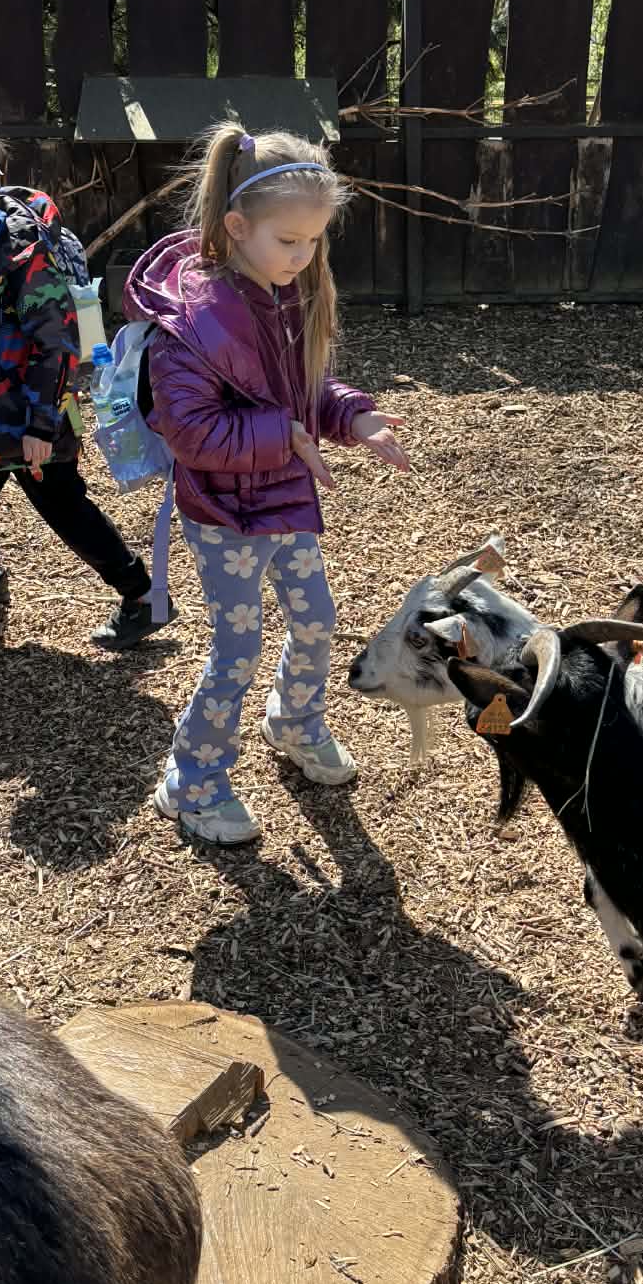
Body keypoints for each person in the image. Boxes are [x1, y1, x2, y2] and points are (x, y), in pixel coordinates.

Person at [123, 124, 409, 845]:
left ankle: (295, 720)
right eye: (289, 240)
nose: (304, 256)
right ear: (236, 227)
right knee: (236, 650)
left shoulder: (285, 294)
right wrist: (285, 436)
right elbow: (192, 435)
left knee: (317, 621)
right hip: (225, 514)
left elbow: (302, 389)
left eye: (313, 240)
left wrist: (352, 415)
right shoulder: (191, 324)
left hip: (284, 502)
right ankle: (192, 782)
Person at [0, 111, 166, 645]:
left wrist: (41, 424)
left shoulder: (21, 253)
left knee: (63, 506)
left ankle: (144, 597)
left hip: (30, 410)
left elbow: (56, 343)